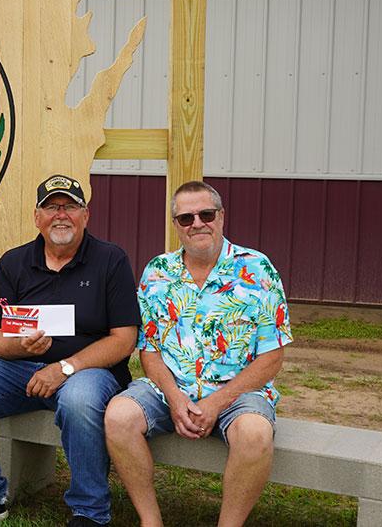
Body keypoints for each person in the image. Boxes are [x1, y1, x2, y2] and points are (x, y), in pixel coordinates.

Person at [0, 174, 140, 527]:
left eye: (70, 206)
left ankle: (89, 511)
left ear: (85, 215)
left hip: (89, 372)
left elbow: (123, 339)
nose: (60, 215)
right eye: (51, 207)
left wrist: (64, 367)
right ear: (37, 216)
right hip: (22, 368)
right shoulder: (14, 262)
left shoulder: (111, 260)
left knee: (79, 400)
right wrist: (18, 346)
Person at [105, 181, 291, 527]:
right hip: (170, 387)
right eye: (186, 218)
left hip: (238, 391)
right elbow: (150, 350)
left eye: (206, 214)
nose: (197, 223)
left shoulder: (258, 270)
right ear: (175, 225)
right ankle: (150, 521)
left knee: (254, 434)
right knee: (118, 416)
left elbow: (272, 357)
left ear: (221, 217)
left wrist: (217, 402)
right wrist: (175, 398)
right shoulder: (157, 272)